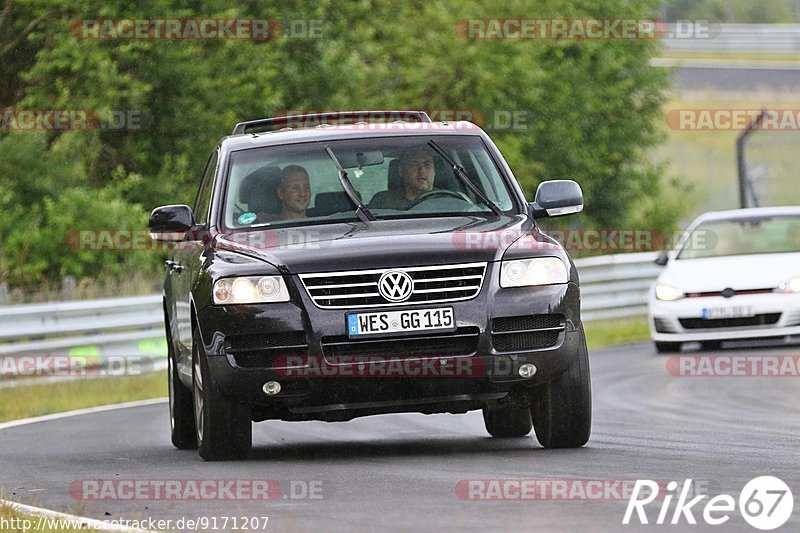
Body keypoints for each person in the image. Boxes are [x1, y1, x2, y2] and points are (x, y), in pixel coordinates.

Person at [369, 147, 435, 210]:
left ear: (435, 171)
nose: (422, 170)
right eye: (414, 164)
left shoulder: (444, 201)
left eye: (427, 164)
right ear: (401, 171)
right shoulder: (382, 201)